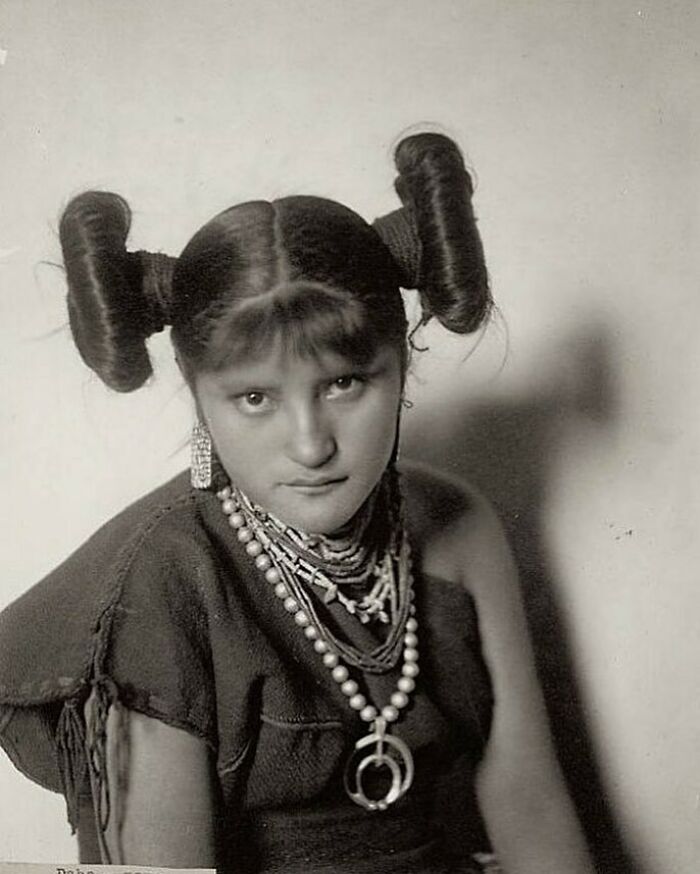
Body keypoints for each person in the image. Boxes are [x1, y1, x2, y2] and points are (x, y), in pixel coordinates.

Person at [0, 133, 592, 873]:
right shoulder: (157, 587)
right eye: (255, 398)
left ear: (401, 363)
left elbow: (530, 807)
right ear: (197, 393)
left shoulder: (457, 525)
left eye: (344, 383)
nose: (311, 445)